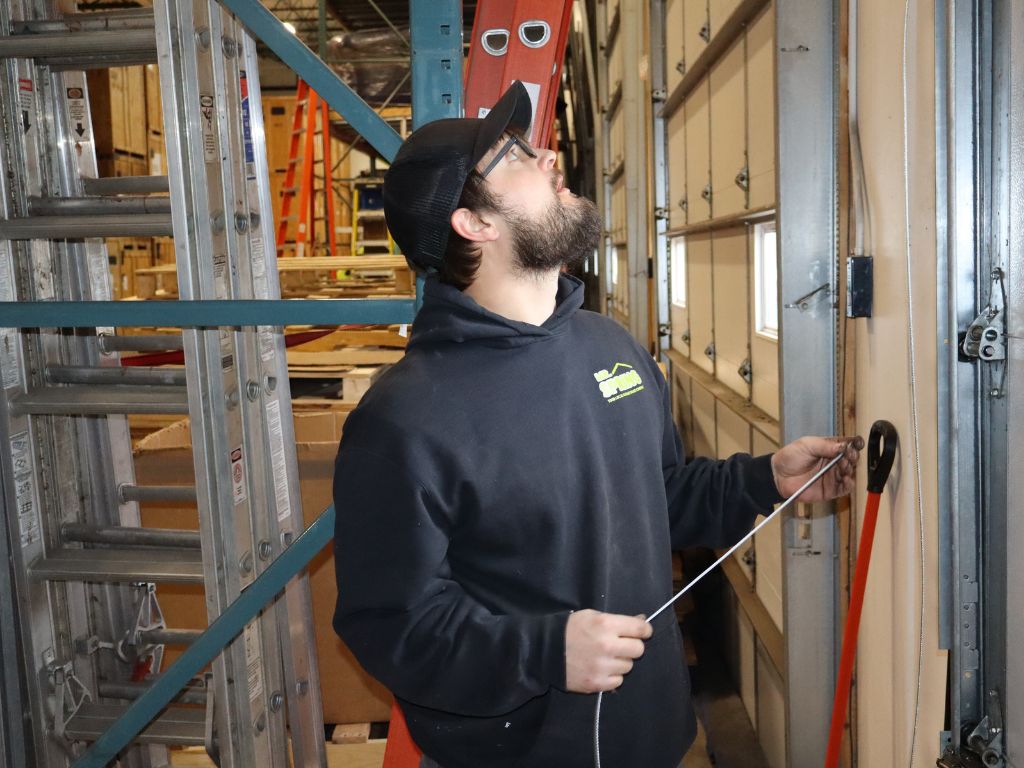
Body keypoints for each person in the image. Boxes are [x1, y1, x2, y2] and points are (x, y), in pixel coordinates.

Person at [332, 81, 861, 768]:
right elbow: (391, 624)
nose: (548, 156)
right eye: (516, 156)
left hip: (655, 737)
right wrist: (544, 652)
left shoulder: (609, 346)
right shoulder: (404, 418)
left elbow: (657, 498)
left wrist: (764, 481)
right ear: (473, 223)